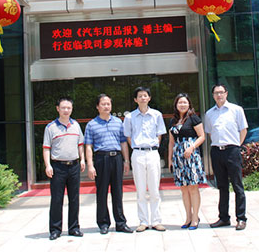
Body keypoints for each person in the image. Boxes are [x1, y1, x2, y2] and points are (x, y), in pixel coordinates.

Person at [84, 94, 134, 234]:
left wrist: (126, 161)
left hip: (116, 158)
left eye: (108, 104)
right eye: (103, 104)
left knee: (118, 192)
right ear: (97, 106)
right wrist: (90, 165)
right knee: (102, 192)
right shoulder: (91, 124)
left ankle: (120, 223)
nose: (106, 106)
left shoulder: (118, 122)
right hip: (101, 159)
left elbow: (123, 143)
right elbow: (88, 146)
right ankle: (103, 223)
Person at [204, 84, 248, 231]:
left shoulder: (236, 110)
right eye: (216, 93)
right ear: (213, 95)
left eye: (221, 92)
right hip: (217, 151)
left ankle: (241, 218)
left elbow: (243, 130)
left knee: (237, 185)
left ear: (226, 93)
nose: (219, 95)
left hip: (232, 151)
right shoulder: (209, 114)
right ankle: (223, 218)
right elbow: (210, 132)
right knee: (222, 186)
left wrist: (236, 146)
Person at [123, 86, 167, 232]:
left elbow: (160, 134)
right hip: (138, 153)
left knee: (154, 189)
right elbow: (128, 136)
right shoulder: (130, 117)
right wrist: (137, 147)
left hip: (153, 153)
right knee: (140, 189)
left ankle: (156, 221)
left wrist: (152, 146)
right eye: (140, 96)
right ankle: (143, 221)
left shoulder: (157, 115)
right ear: (135, 99)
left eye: (145, 95)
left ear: (149, 98)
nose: (143, 98)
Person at [43, 97, 85, 240]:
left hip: (74, 166)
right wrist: (48, 165)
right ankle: (55, 230)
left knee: (74, 198)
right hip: (58, 167)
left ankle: (74, 228)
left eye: (69, 108)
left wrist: (82, 159)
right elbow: (46, 148)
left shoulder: (76, 125)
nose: (66, 110)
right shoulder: (50, 127)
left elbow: (80, 144)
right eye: (63, 108)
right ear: (58, 109)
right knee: (57, 199)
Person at [167, 93, 206, 230]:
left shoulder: (194, 118)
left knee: (193, 188)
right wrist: (170, 159)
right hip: (178, 157)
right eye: (180, 102)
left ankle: (195, 217)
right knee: (184, 189)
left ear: (189, 104)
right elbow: (171, 142)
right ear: (176, 105)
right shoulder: (173, 121)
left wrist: (191, 147)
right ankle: (188, 217)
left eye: (185, 102)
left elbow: (202, 136)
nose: (182, 105)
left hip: (191, 156)